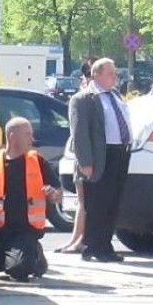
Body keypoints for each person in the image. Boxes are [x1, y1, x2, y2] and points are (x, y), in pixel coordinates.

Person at [0, 116, 61, 282]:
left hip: (25, 231)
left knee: (19, 270)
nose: (32, 139)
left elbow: (58, 195)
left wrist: (53, 194)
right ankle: (5, 257)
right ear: (12, 136)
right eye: (27, 134)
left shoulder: (37, 161)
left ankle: (34, 255)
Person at [69, 57, 132, 263]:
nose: (115, 77)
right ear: (96, 74)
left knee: (112, 203)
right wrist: (85, 162)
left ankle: (104, 244)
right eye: (110, 73)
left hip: (120, 153)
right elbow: (80, 133)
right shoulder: (84, 99)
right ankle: (94, 246)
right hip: (99, 156)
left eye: (115, 73)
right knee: (98, 204)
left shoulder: (114, 95)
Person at [54, 57, 96, 254]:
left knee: (84, 201)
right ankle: (76, 239)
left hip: (84, 156)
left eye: (86, 75)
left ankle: (79, 240)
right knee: (82, 201)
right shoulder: (87, 97)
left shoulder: (88, 97)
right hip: (80, 155)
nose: (84, 79)